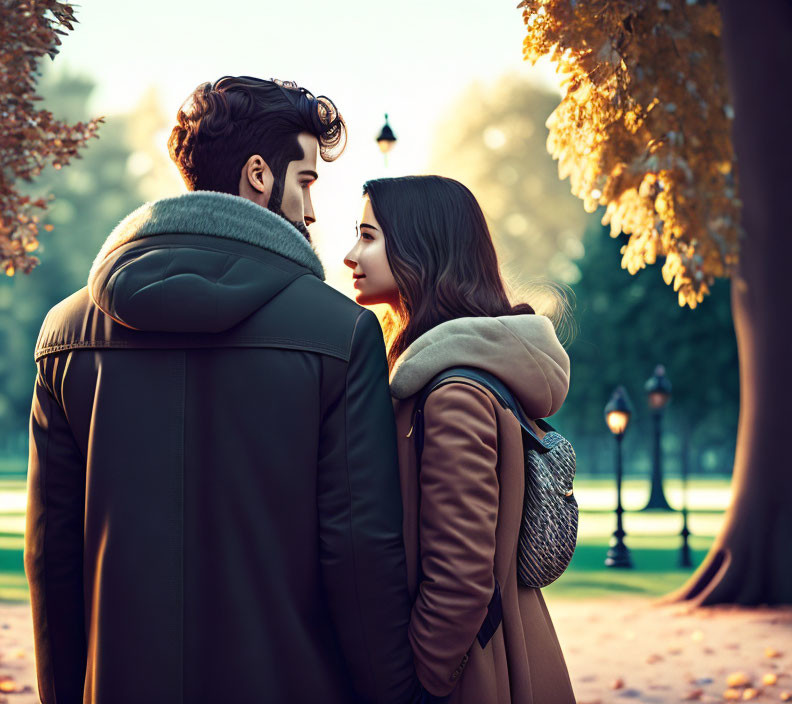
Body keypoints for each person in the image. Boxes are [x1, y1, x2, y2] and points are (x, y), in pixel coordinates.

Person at [25, 76, 419, 704]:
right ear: (259, 174)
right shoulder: (341, 333)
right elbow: (359, 557)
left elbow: (53, 560)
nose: (313, 209)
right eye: (307, 180)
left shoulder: (65, 335)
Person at [344, 175, 576, 704]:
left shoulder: (453, 395)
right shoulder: (451, 376)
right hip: (490, 655)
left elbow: (461, 578)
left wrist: (420, 682)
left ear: (418, 250)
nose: (350, 254)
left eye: (367, 235)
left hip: (475, 674)